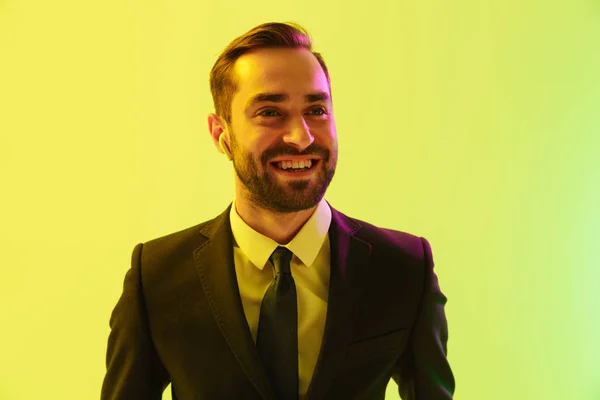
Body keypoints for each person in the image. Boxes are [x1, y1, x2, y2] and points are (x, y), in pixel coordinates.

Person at [101, 21, 455, 400]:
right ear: (221, 133)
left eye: (316, 109)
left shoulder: (403, 267)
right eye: (270, 112)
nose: (301, 137)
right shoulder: (155, 276)